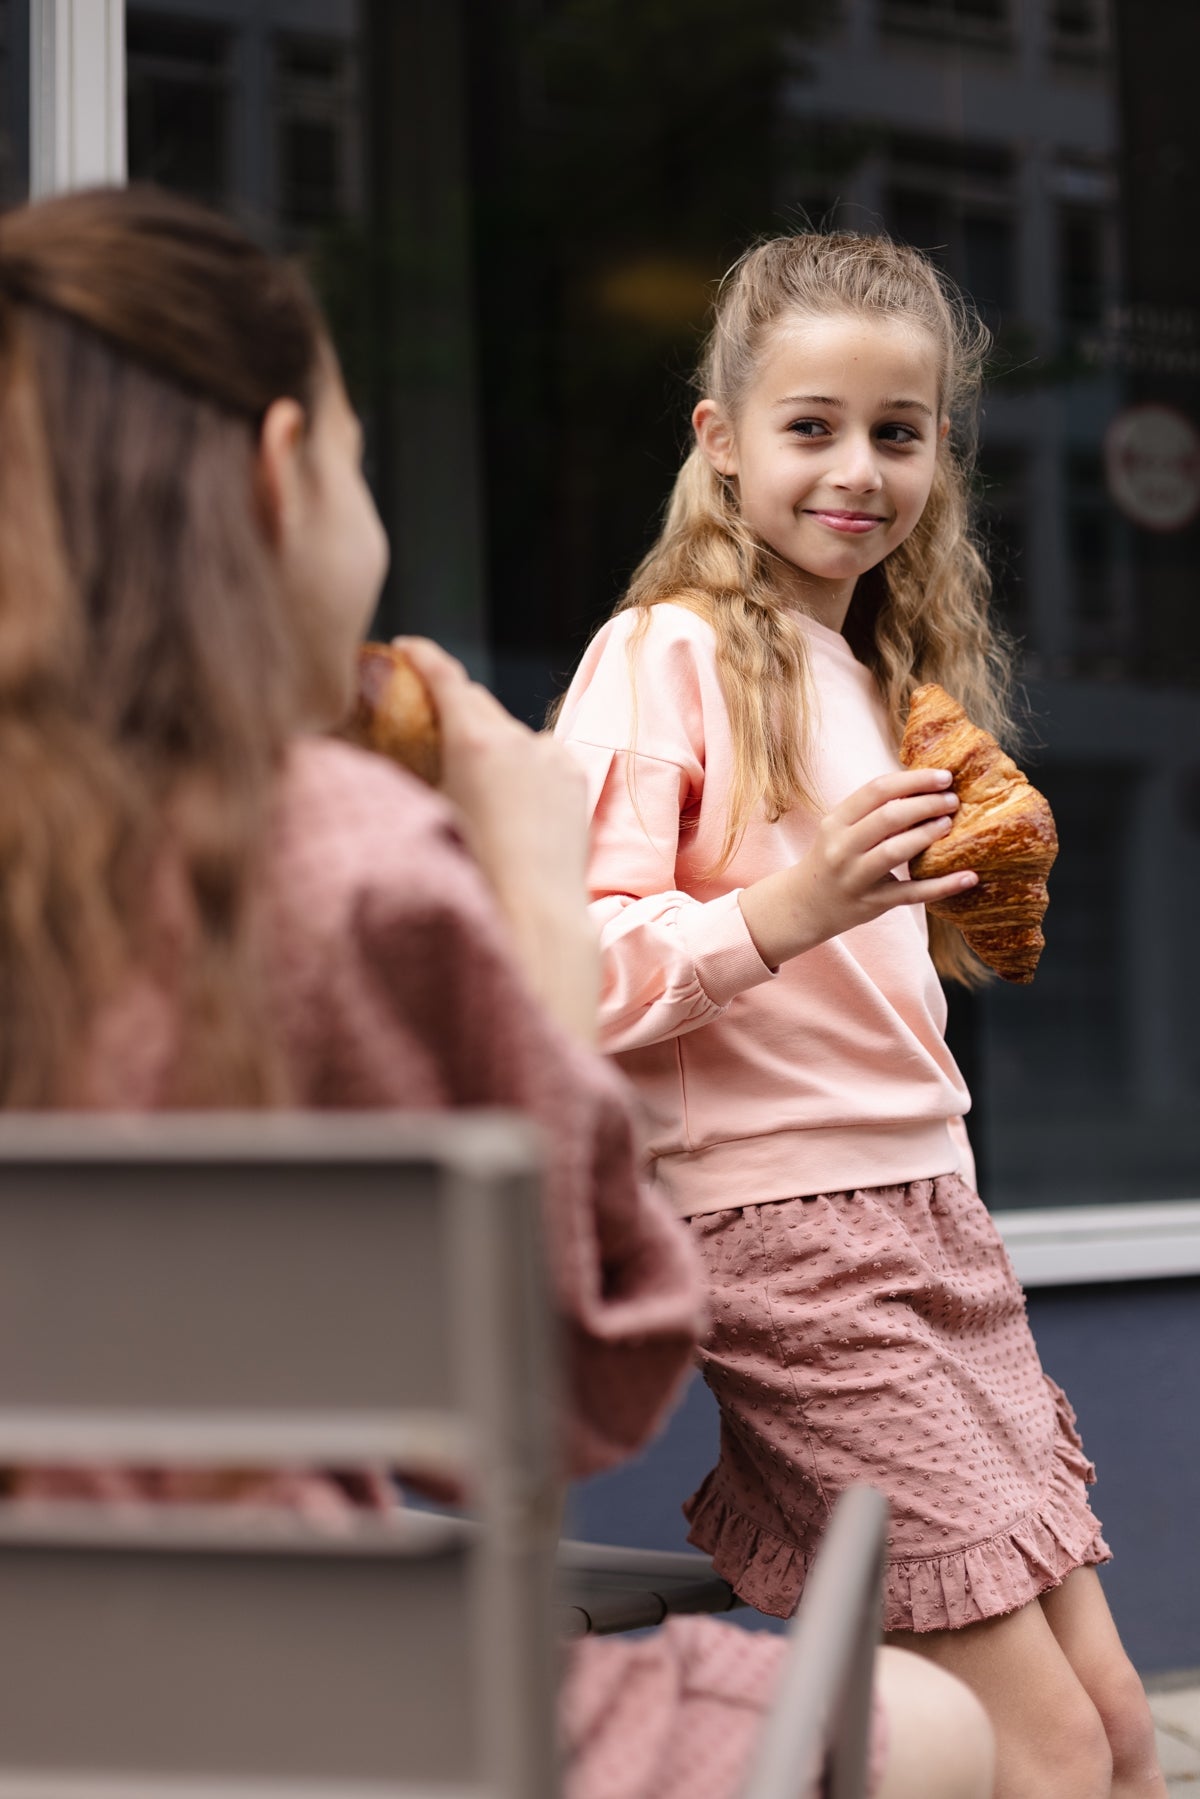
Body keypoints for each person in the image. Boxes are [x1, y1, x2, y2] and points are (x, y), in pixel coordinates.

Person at [0, 185, 992, 1799]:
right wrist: (529, 887)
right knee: (951, 1735)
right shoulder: (343, 849)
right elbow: (573, 1393)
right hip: (335, 1696)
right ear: (275, 481)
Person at [551, 230, 1164, 1799]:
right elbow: (562, 968)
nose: (858, 469)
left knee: (1107, 1727)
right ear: (722, 440)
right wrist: (787, 911)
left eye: (898, 433)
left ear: (940, 453)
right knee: (1031, 1749)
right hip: (786, 1239)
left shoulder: (875, 666)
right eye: (811, 426)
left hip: (936, 1216)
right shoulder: (662, 653)